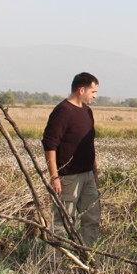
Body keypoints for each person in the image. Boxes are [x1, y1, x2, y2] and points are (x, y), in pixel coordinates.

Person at [42, 72, 101, 248]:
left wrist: (94, 172)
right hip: (68, 177)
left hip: (88, 175)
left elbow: (89, 144)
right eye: (93, 92)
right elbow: (50, 146)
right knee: (63, 221)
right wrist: (54, 177)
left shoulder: (87, 111)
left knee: (92, 217)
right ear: (81, 89)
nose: (94, 96)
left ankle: (88, 258)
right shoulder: (62, 111)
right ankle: (55, 263)